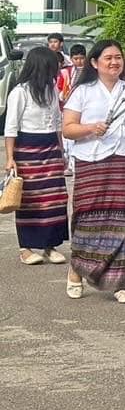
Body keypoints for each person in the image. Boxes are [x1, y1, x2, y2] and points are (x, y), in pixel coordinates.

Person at [62, 39, 125, 304]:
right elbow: (68, 128)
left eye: (118, 57)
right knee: (87, 217)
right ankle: (76, 271)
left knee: (122, 221)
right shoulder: (83, 92)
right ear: (94, 63)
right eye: (108, 58)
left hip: (124, 161)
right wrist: (91, 128)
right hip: (92, 161)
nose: (114, 62)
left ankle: (120, 282)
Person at [4, 46, 68, 265]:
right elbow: (11, 128)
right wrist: (10, 158)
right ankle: (26, 248)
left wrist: (61, 150)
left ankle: (50, 245)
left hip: (51, 146)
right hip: (27, 149)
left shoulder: (51, 89)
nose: (57, 69)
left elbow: (58, 122)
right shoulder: (19, 92)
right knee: (29, 200)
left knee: (53, 198)